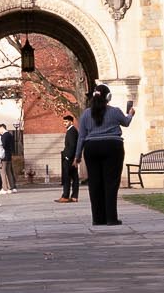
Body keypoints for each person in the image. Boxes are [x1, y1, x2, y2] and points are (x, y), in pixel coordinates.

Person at [76, 83, 136, 227]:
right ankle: (111, 218)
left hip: (92, 148)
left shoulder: (85, 114)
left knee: (95, 184)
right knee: (111, 183)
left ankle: (97, 218)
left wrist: (77, 155)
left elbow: (82, 136)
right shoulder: (115, 111)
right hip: (112, 147)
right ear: (108, 97)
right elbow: (126, 123)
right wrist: (131, 114)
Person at [58, 116, 82, 203]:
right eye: (64, 122)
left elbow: (72, 145)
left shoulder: (71, 131)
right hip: (72, 158)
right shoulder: (72, 131)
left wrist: (68, 157)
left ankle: (65, 196)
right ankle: (74, 196)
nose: (64, 123)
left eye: (66, 121)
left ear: (71, 122)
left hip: (69, 158)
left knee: (67, 177)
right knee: (74, 177)